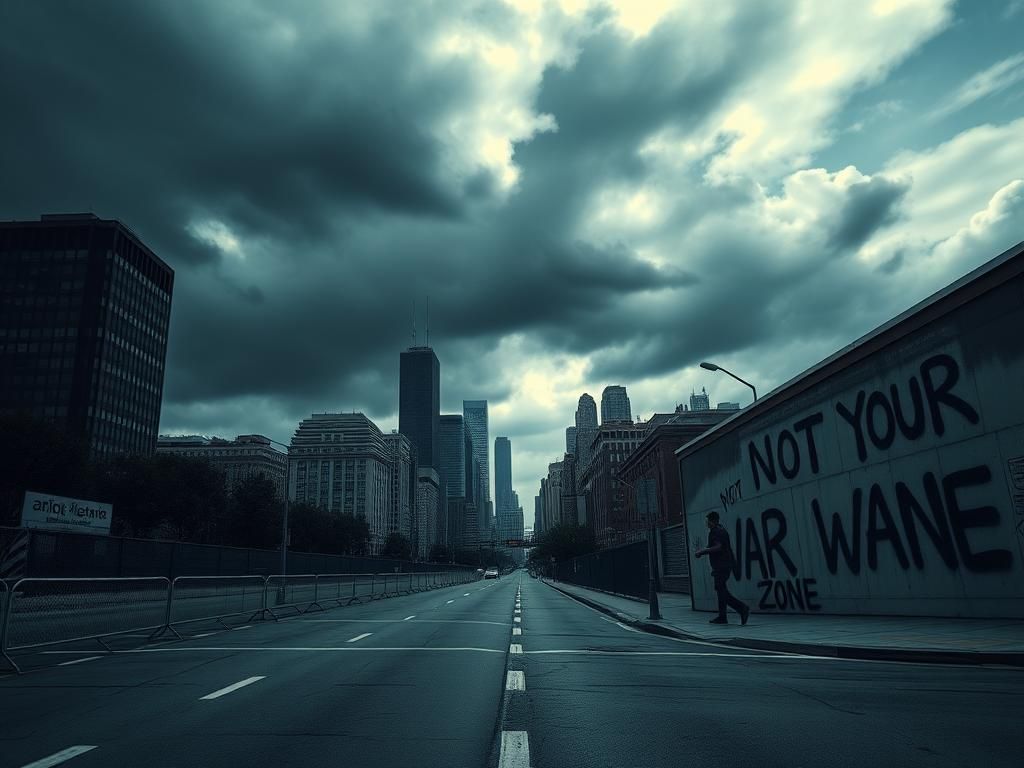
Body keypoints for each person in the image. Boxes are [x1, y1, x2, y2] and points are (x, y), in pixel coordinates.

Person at [695, 510, 750, 625]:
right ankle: (722, 617)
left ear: (713, 521)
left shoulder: (717, 531)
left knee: (721, 590)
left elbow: (718, 547)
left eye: (708, 521)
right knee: (721, 590)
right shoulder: (719, 530)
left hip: (722, 565)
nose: (707, 523)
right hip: (723, 565)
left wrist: (703, 551)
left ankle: (742, 608)